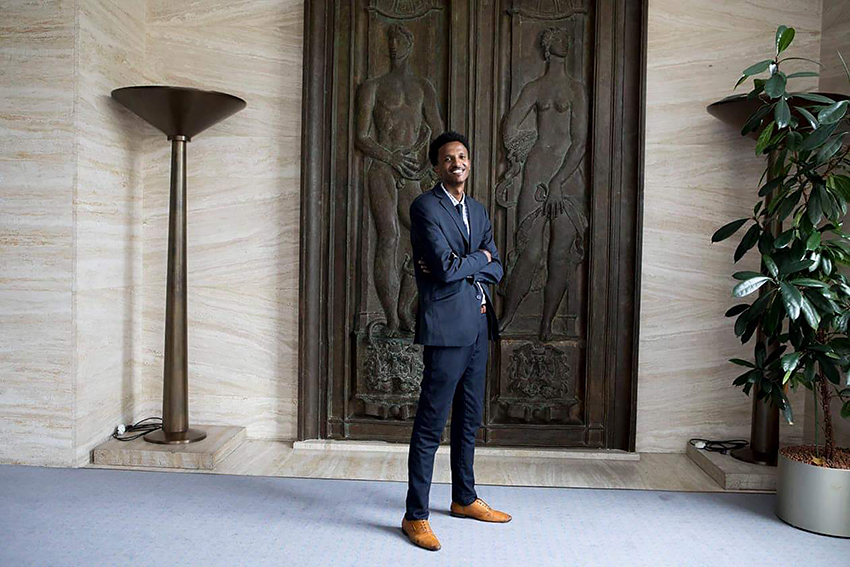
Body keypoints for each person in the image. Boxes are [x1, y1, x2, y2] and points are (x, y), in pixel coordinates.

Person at [401, 131, 511, 552]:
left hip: (480, 326)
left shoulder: (479, 210)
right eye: (448, 158)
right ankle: (415, 515)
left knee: (469, 419)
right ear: (437, 166)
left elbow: (496, 265)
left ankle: (464, 498)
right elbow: (445, 270)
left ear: (469, 162)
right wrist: (479, 260)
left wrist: (480, 261)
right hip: (447, 329)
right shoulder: (425, 207)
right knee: (431, 423)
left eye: (462, 156)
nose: (457, 163)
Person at [497, 27, 589, 341]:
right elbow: (510, 124)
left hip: (567, 177)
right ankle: (508, 315)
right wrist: (519, 152)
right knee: (530, 252)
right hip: (536, 172)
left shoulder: (577, 90)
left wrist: (558, 182)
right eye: (558, 38)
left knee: (559, 254)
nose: (566, 40)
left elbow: (579, 143)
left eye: (567, 37)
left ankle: (547, 324)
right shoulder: (534, 88)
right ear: (548, 47)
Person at [355, 23, 444, 334]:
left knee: (426, 239)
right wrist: (389, 156)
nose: (393, 45)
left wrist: (428, 168)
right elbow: (362, 136)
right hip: (382, 167)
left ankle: (407, 308)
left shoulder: (423, 88)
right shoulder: (373, 86)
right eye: (389, 40)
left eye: (399, 40)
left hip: (412, 172)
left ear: (409, 43)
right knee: (389, 237)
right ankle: (391, 317)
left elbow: (438, 132)